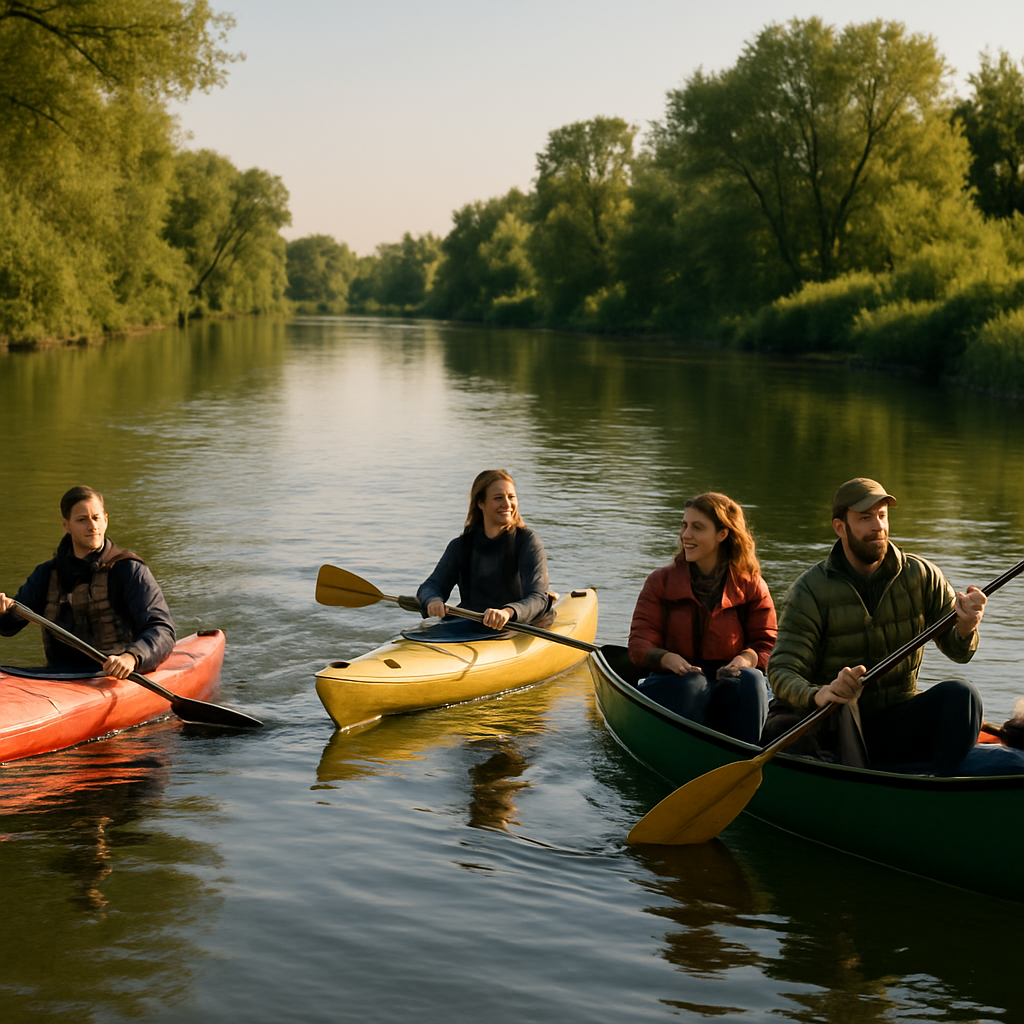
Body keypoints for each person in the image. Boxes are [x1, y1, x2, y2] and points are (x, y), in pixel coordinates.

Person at [766, 477, 986, 775]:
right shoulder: (810, 590)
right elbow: (781, 671)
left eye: (882, 516)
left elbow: (959, 651)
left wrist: (967, 626)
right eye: (865, 518)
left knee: (963, 695)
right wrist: (819, 693)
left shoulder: (921, 575)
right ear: (840, 527)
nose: (878, 526)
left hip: (894, 720)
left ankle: (941, 788)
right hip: (833, 723)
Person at [628, 492, 777, 744]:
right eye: (684, 526)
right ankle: (685, 749)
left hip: (727, 681)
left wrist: (745, 659)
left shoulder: (752, 585)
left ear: (722, 534)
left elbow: (767, 643)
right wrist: (666, 658)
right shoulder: (660, 582)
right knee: (693, 684)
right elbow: (639, 644)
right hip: (673, 683)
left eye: (697, 528)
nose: (686, 535)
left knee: (752, 681)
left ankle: (749, 756)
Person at [0, 486, 176, 678]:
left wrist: (132, 657)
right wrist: (4, 610)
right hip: (56, 676)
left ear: (105, 520)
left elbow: (162, 629)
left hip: (113, 675)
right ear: (66, 525)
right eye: (82, 520)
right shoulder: (46, 574)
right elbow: (8, 626)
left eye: (96, 518)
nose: (92, 526)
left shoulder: (129, 570)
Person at [417, 469, 551, 630]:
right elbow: (430, 585)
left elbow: (538, 597)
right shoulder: (461, 546)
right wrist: (433, 600)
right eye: (498, 498)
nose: (507, 504)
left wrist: (507, 612)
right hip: (472, 623)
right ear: (481, 503)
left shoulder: (527, 541)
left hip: (519, 625)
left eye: (511, 497)